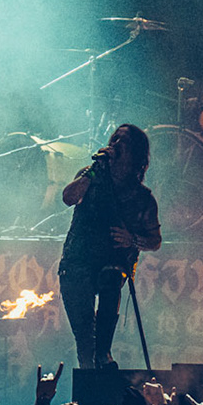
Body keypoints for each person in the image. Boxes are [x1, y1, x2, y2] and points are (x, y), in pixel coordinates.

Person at [58, 123, 162, 368]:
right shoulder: (90, 176)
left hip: (112, 263)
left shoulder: (142, 197)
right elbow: (68, 198)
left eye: (123, 141)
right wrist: (95, 170)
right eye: (114, 138)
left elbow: (155, 240)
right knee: (85, 341)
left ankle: (104, 354)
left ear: (135, 153)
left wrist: (132, 240)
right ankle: (89, 380)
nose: (115, 144)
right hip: (77, 260)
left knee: (111, 277)